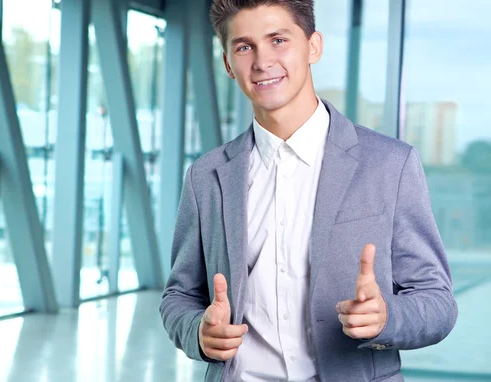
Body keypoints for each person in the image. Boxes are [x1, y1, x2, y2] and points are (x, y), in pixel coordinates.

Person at [159, 0, 458, 381]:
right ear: (228, 65)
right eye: (244, 46)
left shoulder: (389, 164)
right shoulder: (206, 176)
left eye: (278, 40)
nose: (262, 61)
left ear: (313, 46)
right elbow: (179, 296)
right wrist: (198, 332)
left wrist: (387, 317)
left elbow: (437, 302)